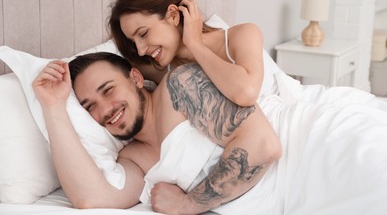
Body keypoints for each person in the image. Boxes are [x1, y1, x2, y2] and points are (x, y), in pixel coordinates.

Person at [32, 52, 281, 214]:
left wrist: (187, 204)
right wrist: (52, 106)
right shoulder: (133, 159)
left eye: (108, 90)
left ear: (136, 78)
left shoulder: (180, 85)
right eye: (90, 107)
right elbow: (89, 199)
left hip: (302, 160)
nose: (105, 110)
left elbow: (263, 146)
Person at [109, 0, 264, 107]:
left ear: (173, 15)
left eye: (143, 33)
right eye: (133, 42)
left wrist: (195, 44)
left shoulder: (243, 35)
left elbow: (246, 93)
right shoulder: (157, 69)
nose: (141, 50)